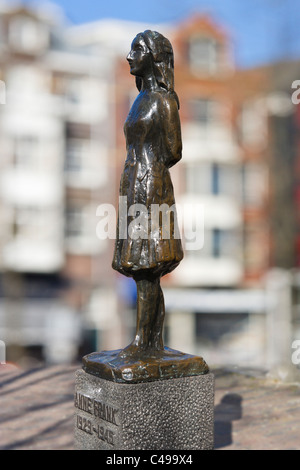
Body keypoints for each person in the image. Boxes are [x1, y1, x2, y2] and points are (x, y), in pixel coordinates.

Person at [112, 30, 183, 357]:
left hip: (151, 185)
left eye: (136, 49)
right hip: (134, 182)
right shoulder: (139, 99)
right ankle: (147, 341)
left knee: (147, 266)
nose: (130, 55)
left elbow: (173, 149)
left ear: (154, 57)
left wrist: (148, 172)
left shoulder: (165, 101)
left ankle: (147, 342)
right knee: (140, 268)